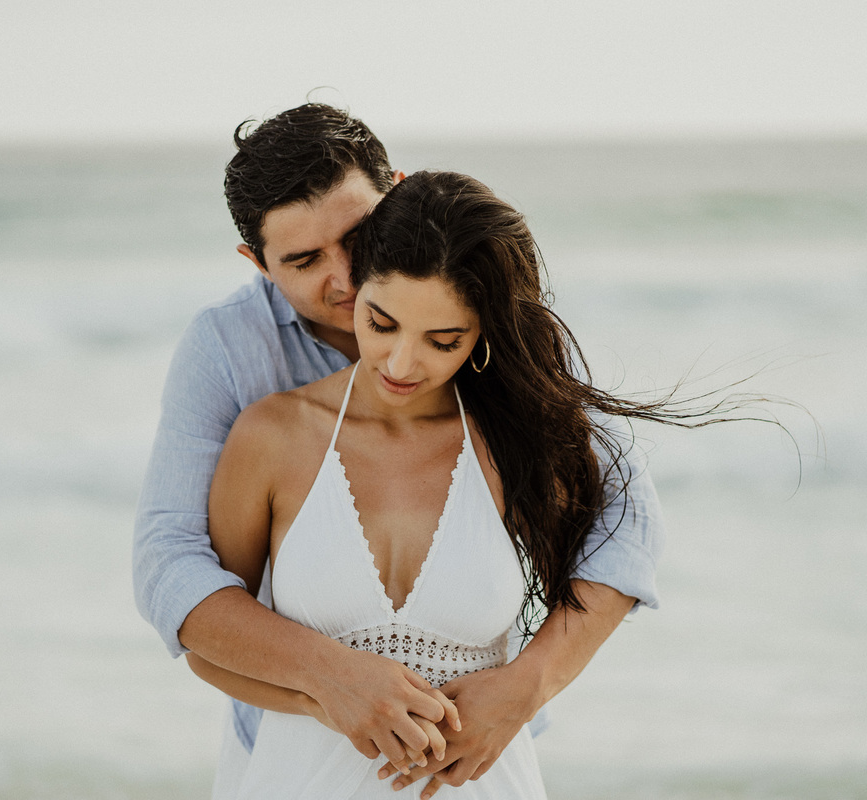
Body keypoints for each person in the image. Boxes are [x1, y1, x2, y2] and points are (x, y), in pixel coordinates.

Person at [132, 105, 663, 798]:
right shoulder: (234, 361)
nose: (348, 278)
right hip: (289, 752)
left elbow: (626, 516)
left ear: (398, 194)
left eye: (357, 236)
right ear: (257, 263)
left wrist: (529, 685)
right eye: (303, 260)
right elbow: (172, 565)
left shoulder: (484, 330)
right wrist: (329, 683)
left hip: (480, 757)